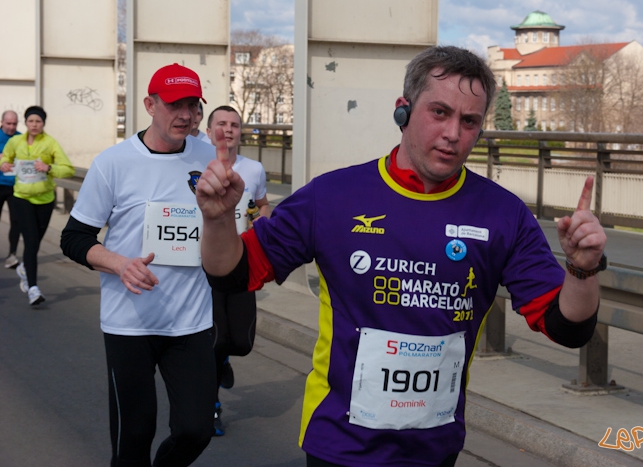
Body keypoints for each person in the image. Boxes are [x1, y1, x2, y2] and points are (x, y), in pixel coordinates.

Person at [196, 46, 606, 467]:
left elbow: (567, 328)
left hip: (434, 449)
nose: (452, 133)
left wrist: (582, 267)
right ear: (403, 111)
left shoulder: (503, 214)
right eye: (440, 112)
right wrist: (218, 220)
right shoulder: (333, 197)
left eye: (469, 122)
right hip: (340, 444)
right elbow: (232, 274)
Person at [60, 63, 217, 466]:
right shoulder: (113, 163)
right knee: (133, 436)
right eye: (174, 104)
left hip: (191, 320)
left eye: (193, 105)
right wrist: (119, 264)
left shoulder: (209, 156)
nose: (185, 114)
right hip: (129, 322)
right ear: (150, 104)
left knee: (196, 430)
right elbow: (74, 238)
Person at [205, 104, 271, 437]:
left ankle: (226, 360)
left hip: (242, 260)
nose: (228, 129)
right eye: (221, 124)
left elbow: (261, 205)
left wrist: (265, 222)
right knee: (216, 339)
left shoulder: (254, 169)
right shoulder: (196, 167)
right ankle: (212, 405)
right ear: (208, 131)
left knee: (241, 343)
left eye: (234, 125)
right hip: (207, 263)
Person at [1, 106, 74, 306]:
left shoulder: (50, 143)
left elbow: (67, 169)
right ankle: (33, 288)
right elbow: (5, 158)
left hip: (45, 199)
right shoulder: (16, 142)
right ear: (26, 122)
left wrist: (49, 167)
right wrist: (4, 165)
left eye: (38, 121)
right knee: (31, 242)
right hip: (21, 198)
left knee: (36, 241)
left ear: (43, 124)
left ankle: (24, 267)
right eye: (31, 121)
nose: (34, 125)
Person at [0, 110, 21, 269]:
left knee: (16, 221)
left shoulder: (22, 138)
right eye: (8, 123)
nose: (11, 127)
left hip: (16, 187)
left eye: (14, 124)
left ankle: (12, 255)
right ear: (2, 123)